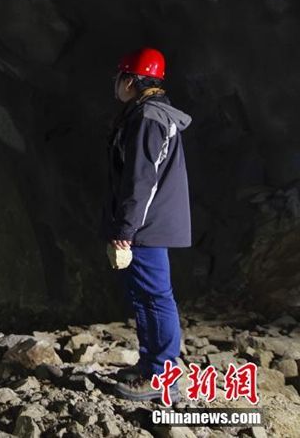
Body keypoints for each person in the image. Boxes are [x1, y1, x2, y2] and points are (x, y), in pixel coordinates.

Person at [102, 47, 192, 402]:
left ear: (131, 80)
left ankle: (160, 376)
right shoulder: (148, 114)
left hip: (146, 226)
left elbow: (142, 181)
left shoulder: (148, 118)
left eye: (119, 78)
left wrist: (125, 231)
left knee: (155, 298)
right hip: (149, 224)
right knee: (146, 297)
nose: (116, 85)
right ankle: (151, 366)